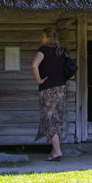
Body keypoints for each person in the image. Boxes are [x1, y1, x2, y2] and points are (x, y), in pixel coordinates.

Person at [31, 27, 67, 161]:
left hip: (48, 89)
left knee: (49, 118)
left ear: (47, 37)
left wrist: (39, 80)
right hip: (61, 88)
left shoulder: (43, 50)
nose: (41, 39)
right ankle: (54, 150)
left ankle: (57, 151)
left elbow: (34, 65)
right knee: (57, 118)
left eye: (42, 36)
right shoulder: (61, 52)